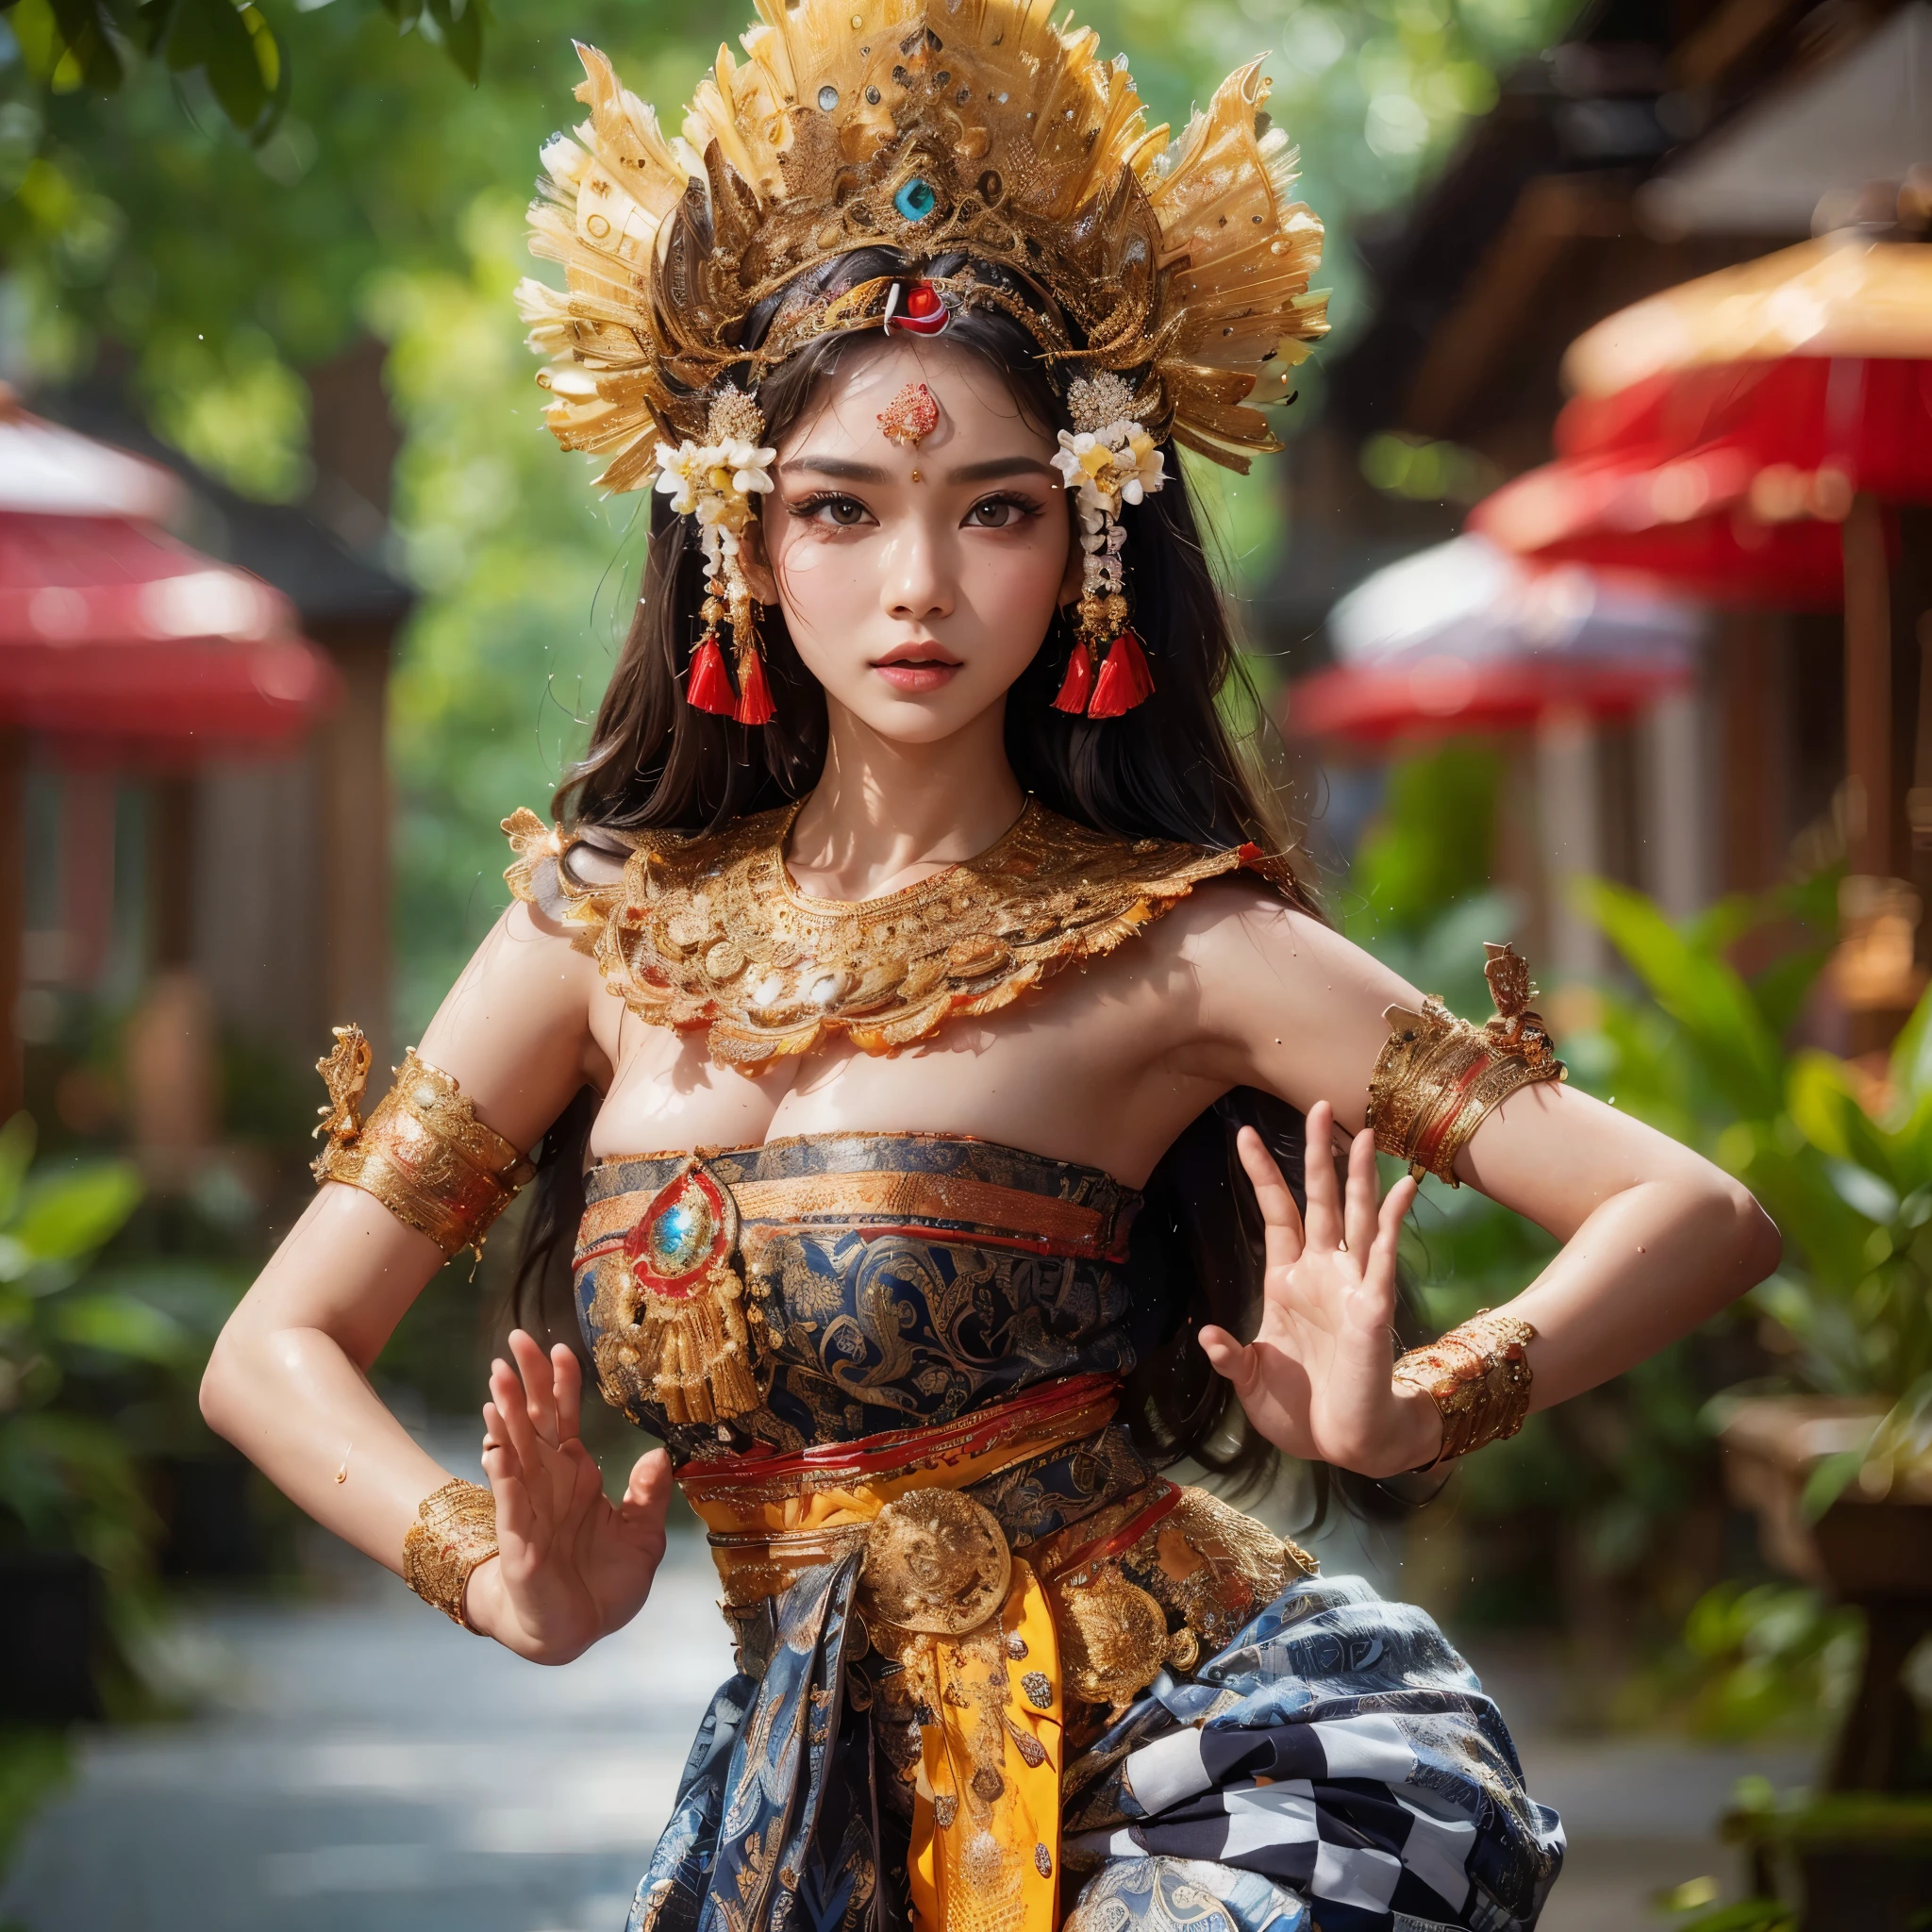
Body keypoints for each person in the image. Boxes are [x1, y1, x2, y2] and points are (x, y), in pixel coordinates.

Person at [199, 7, 1782, 1928]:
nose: (918, 589)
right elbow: (272, 1352)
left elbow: (1687, 1207)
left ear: (1087, 543)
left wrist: (1417, 1407)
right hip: (812, 1819)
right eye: (841, 511)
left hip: (1216, 1776)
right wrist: (498, 1572)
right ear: (739, 537)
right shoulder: (590, 932)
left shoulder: (1180, 941)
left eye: (997, 512)